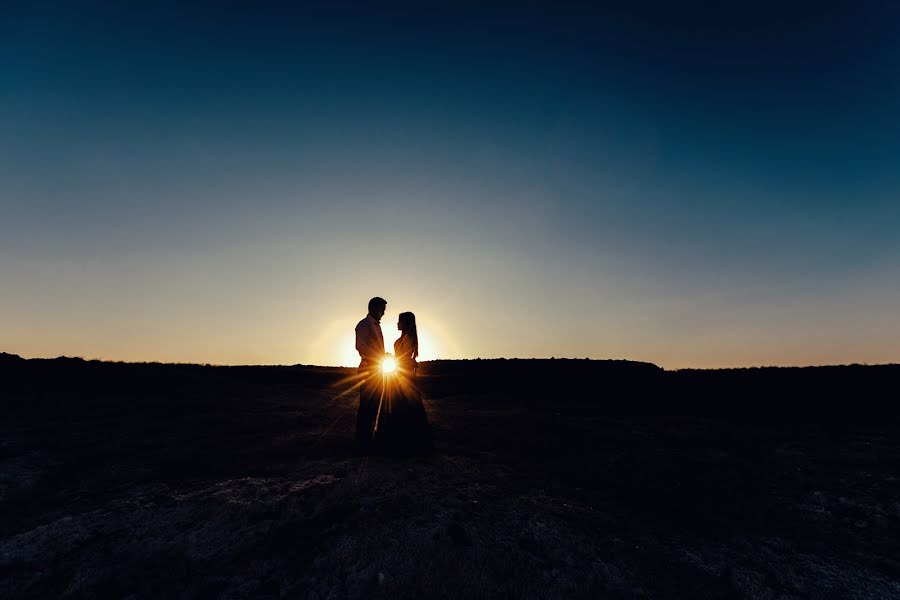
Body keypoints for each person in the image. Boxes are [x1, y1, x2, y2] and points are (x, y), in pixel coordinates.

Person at [374, 311, 434, 456]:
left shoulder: (406, 339)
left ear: (405, 323)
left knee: (401, 406)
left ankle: (401, 444)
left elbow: (404, 358)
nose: (397, 323)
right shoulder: (407, 338)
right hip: (401, 374)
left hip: (402, 376)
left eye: (399, 320)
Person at [355, 296, 387, 452]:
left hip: (377, 369)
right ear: (375, 308)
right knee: (366, 406)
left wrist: (383, 355)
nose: (384, 313)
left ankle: (371, 441)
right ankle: (361, 444)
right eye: (383, 310)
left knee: (375, 406)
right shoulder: (363, 325)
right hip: (368, 369)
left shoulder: (376, 326)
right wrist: (378, 355)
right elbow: (360, 346)